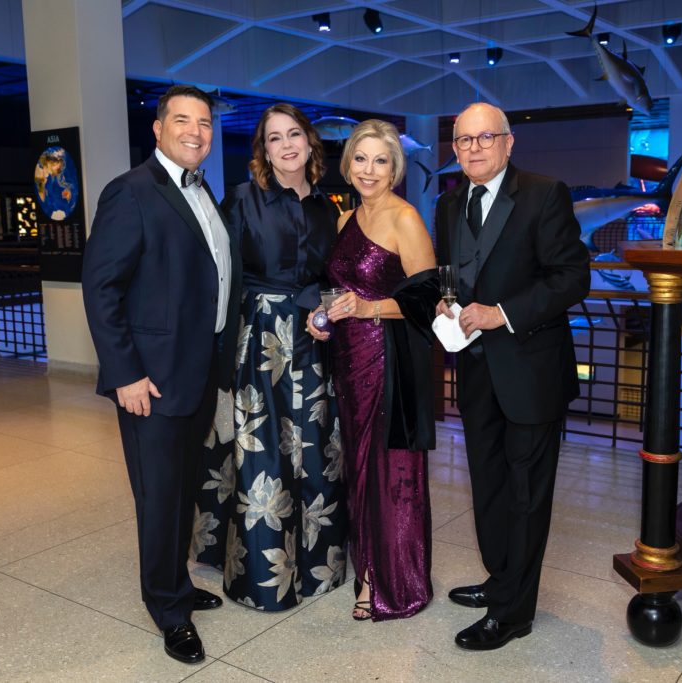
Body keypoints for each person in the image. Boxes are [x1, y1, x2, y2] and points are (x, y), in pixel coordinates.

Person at [81, 85, 240, 665]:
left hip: (197, 376)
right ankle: (168, 611)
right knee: (157, 498)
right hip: (151, 380)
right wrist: (125, 374)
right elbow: (101, 289)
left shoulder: (205, 193)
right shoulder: (131, 192)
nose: (195, 131)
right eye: (182, 120)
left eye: (204, 122)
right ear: (157, 128)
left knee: (181, 493)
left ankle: (178, 583)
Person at [435, 102, 590, 650]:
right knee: (490, 487)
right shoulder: (448, 205)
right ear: (453, 149)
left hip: (531, 372)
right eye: (463, 140)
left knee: (527, 496)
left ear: (507, 143)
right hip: (476, 370)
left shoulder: (546, 194)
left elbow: (572, 278)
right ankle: (501, 580)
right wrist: (444, 306)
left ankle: (514, 612)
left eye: (485, 138)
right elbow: (449, 278)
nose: (474, 148)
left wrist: (501, 314)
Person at [193, 103, 347, 610]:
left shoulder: (330, 208)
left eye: (294, 134)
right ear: (263, 149)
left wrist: (323, 311)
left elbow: (330, 280)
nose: (286, 145)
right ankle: (262, 578)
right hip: (259, 342)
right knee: (264, 455)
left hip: (313, 341)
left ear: (309, 142)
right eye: (274, 137)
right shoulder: (241, 199)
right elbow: (219, 277)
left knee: (315, 449)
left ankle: (317, 567)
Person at [305, 119, 439, 621]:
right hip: (346, 360)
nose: (368, 170)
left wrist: (366, 309)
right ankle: (366, 565)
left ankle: (390, 581)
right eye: (360, 159)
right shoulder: (344, 220)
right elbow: (336, 289)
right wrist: (322, 318)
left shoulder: (405, 219)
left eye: (380, 161)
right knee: (357, 469)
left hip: (387, 361)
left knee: (386, 469)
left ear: (395, 168)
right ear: (348, 164)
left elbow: (427, 302)